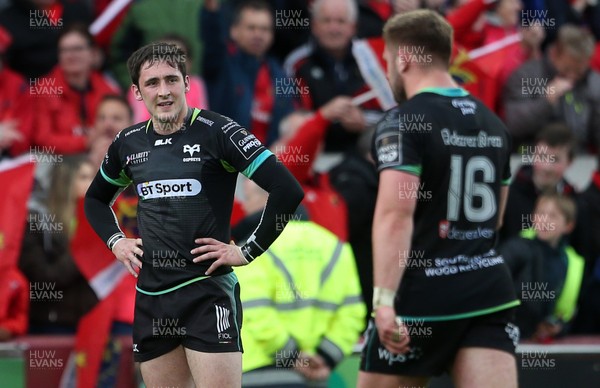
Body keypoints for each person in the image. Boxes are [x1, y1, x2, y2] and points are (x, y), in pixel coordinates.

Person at [84, 42, 304, 387]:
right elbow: (95, 200)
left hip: (207, 292)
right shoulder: (127, 143)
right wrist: (116, 242)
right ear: (137, 93)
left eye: (172, 80)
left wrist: (247, 250)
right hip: (153, 298)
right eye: (152, 83)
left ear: (187, 83)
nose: (164, 91)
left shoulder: (219, 131)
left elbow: (288, 190)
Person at [358, 10, 520, 388]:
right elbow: (496, 219)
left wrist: (383, 301)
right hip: (487, 293)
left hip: (422, 295)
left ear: (404, 59)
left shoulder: (403, 121)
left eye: (387, 61)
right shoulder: (494, 122)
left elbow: (395, 216)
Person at [235, 180, 365, 388]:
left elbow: (254, 310)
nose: (244, 206)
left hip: (258, 372)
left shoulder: (250, 250)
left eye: (248, 197)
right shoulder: (335, 246)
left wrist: (292, 357)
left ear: (268, 200)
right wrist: (326, 357)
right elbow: (352, 312)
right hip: (314, 374)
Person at [19, 155, 98, 334]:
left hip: (91, 322)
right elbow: (44, 277)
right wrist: (82, 249)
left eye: (94, 177)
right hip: (51, 323)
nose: (93, 184)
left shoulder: (98, 221)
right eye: (84, 177)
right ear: (65, 182)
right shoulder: (36, 223)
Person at [201, 0, 294, 146]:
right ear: (233, 31)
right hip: (227, 162)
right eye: (251, 28)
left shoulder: (280, 74)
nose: (258, 34)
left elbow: (289, 120)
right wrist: (211, 10)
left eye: (265, 29)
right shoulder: (221, 65)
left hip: (269, 162)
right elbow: (212, 38)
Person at [500, 193, 584, 340]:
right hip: (509, 336)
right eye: (540, 213)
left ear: (568, 226)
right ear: (532, 217)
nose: (544, 220)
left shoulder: (572, 262)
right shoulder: (515, 249)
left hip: (542, 342)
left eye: (553, 216)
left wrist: (559, 327)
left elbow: (568, 313)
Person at [502, 24, 600, 151]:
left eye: (579, 71)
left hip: (580, 160)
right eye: (567, 69)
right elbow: (513, 123)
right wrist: (546, 102)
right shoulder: (527, 76)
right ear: (553, 53)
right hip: (532, 158)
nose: (572, 76)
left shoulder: (593, 82)